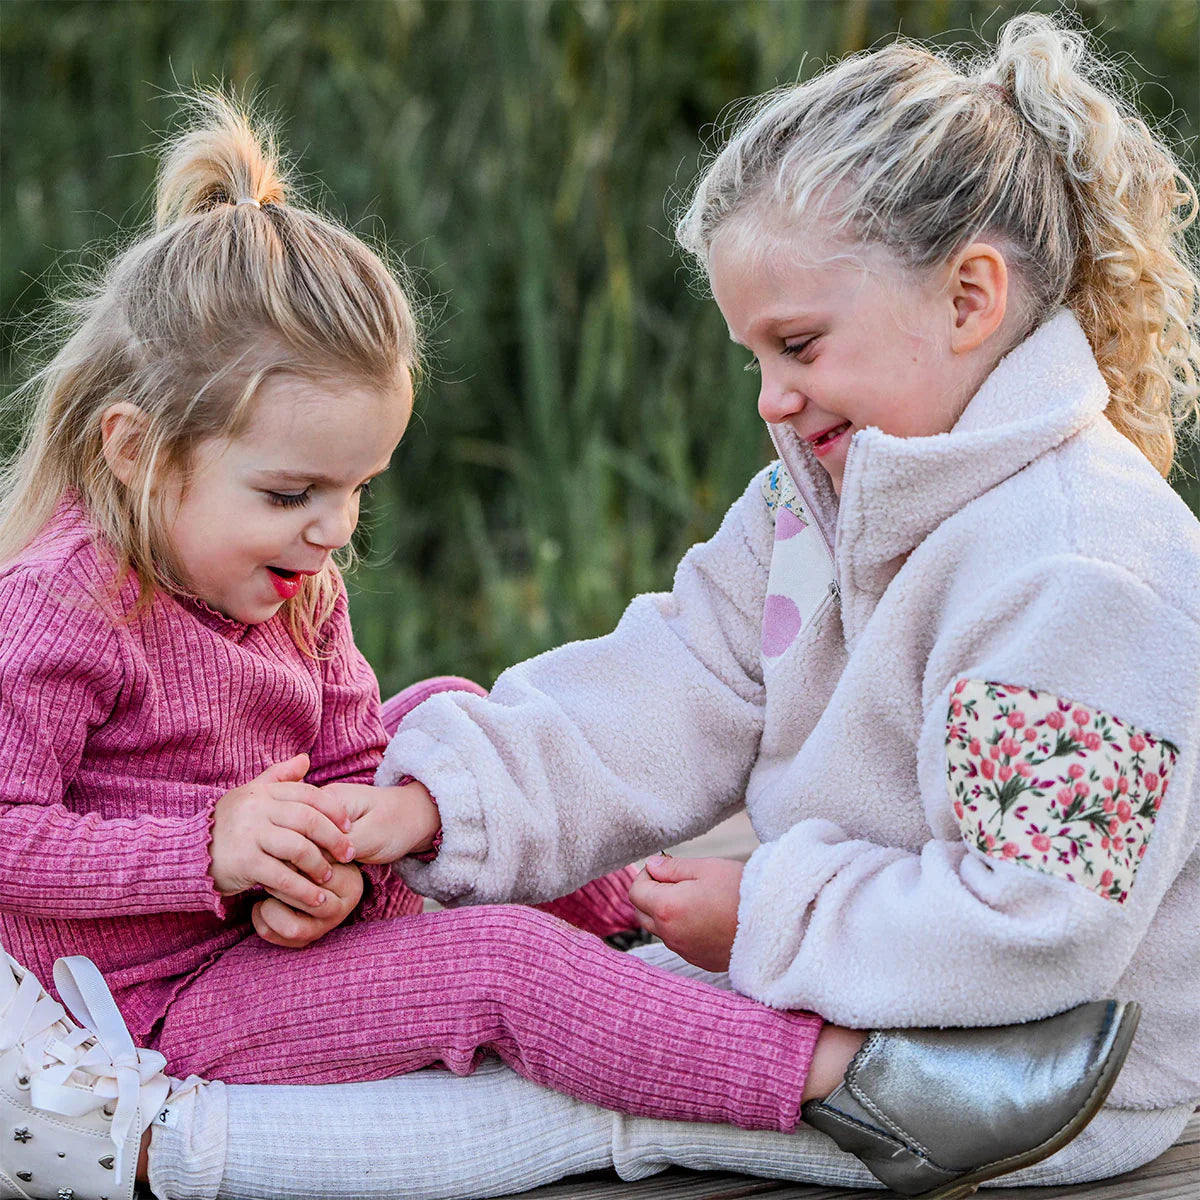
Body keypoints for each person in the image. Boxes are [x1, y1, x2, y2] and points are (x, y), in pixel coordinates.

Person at [3, 80, 1135, 1200]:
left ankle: (721, 1027)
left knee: (501, 927)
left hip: (1023, 1056)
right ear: (137, 452)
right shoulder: (825, 493)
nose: (769, 402)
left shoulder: (1076, 573)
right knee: (505, 957)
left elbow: (1039, 918)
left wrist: (756, 912)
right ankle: (831, 1078)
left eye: (799, 345)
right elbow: (678, 678)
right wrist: (307, 835)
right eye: (759, 358)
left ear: (972, 296)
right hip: (148, 994)